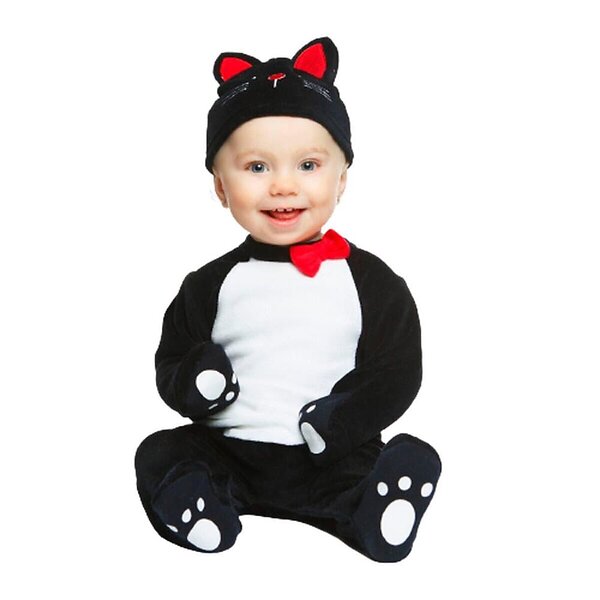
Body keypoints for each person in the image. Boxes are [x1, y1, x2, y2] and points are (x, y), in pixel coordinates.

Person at [134, 36, 442, 563]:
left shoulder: (373, 283)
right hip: (228, 452)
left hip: (328, 455)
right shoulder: (208, 285)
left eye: (308, 165)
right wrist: (197, 381)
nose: (282, 186)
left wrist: (339, 422)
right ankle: (200, 505)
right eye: (256, 167)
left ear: (341, 180)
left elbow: (397, 371)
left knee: (365, 471)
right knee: (161, 450)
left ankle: (376, 512)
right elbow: (171, 360)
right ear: (220, 187)